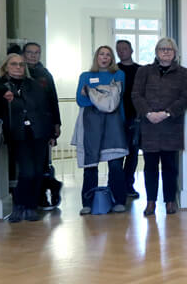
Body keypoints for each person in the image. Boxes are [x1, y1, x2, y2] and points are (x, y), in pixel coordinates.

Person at [132, 37, 187, 216]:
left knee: (170, 167)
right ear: (156, 52)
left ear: (175, 53)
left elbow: (185, 97)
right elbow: (136, 95)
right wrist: (148, 113)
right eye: (162, 49)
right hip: (149, 126)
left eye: (169, 49)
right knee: (150, 167)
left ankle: (170, 201)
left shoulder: (182, 73)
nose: (166, 52)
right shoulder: (144, 71)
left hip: (171, 126)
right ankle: (150, 202)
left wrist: (166, 113)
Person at [0, 53, 51, 222]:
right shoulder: (0, 83)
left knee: (37, 172)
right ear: (6, 67)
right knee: (27, 172)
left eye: (21, 64)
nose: (18, 67)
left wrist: (51, 132)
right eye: (14, 64)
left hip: (38, 133)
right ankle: (19, 205)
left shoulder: (33, 84)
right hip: (17, 134)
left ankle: (30, 207)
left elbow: (45, 108)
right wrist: (4, 91)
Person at [72, 46, 129, 214]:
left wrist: (91, 92)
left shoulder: (119, 75)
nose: (104, 57)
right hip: (90, 125)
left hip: (114, 124)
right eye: (101, 54)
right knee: (90, 165)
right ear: (96, 57)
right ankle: (87, 203)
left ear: (112, 58)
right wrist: (105, 93)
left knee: (116, 165)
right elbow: (81, 100)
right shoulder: (85, 76)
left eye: (108, 55)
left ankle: (118, 200)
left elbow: (115, 99)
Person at [23, 42, 62, 209]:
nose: (33, 55)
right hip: (22, 127)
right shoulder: (18, 71)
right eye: (30, 52)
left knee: (41, 165)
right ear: (24, 54)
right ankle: (36, 195)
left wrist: (56, 124)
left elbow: (53, 99)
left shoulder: (45, 74)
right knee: (27, 166)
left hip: (43, 125)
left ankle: (41, 197)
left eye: (37, 52)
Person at [116, 39, 142, 199]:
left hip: (135, 117)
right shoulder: (113, 70)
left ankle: (128, 185)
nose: (121, 51)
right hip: (117, 118)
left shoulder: (140, 70)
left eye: (124, 48)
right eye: (118, 49)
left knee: (132, 154)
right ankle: (116, 186)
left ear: (131, 50)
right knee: (117, 154)